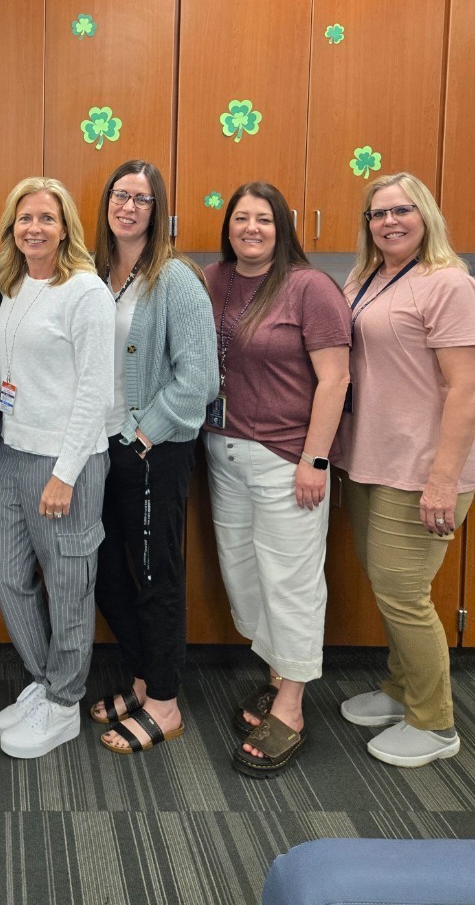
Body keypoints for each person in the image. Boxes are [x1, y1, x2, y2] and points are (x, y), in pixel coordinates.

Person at [202, 182, 350, 778]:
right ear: (228, 226)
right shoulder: (211, 280)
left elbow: (335, 380)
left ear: (283, 226)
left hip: (287, 458)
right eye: (241, 218)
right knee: (244, 576)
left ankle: (291, 704)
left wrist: (315, 459)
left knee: (289, 580)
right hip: (222, 451)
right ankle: (276, 673)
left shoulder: (308, 287)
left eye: (263, 219)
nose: (251, 228)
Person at [336, 172, 475, 768]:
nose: (388, 222)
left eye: (401, 210)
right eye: (377, 213)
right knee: (387, 584)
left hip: (422, 466)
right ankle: (401, 690)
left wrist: (443, 478)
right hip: (370, 456)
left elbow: (466, 386)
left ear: (426, 215)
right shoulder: (366, 276)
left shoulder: (448, 282)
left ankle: (435, 721)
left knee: (404, 590)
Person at [87, 160, 218, 755]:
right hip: (103, 448)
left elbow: (200, 380)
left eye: (142, 198)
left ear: (157, 210)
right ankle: (141, 679)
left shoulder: (176, 280)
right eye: (121, 195)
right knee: (111, 573)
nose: (129, 207)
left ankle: (164, 703)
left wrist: (144, 437)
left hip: (151, 451)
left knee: (154, 575)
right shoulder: (93, 272)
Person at [0, 177, 114, 759]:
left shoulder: (85, 291)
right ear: (12, 228)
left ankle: (65, 703)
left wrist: (64, 474)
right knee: (9, 577)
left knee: (68, 588)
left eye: (46, 217)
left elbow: (95, 391)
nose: (34, 227)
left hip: (67, 463)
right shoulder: (13, 285)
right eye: (24, 218)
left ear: (65, 227)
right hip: (11, 454)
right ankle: (46, 680)